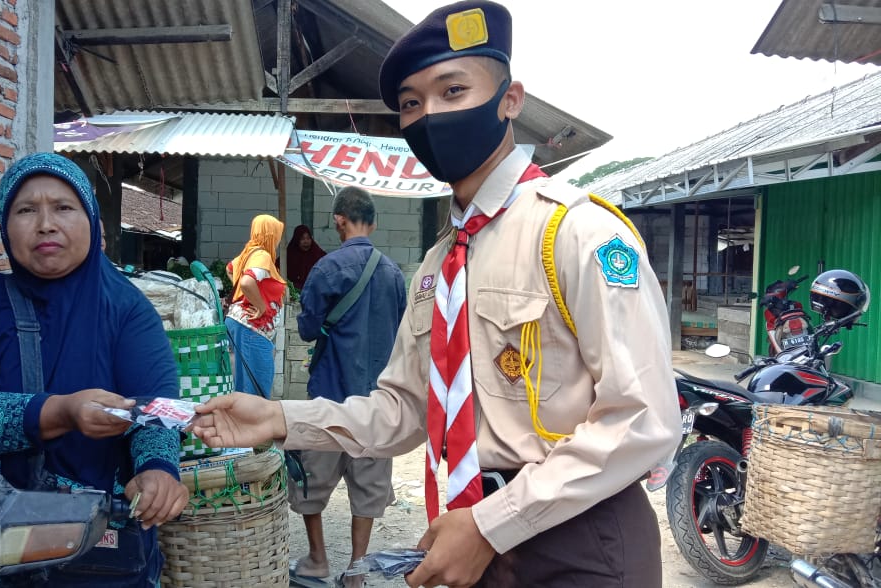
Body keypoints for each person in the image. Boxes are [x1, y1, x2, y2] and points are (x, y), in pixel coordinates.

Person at [192, 2, 680, 587]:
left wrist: (494, 523)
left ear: (510, 99)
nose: (430, 115)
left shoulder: (577, 232)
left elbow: (643, 417)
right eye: (411, 104)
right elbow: (402, 411)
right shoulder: (437, 266)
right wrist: (277, 418)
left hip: (579, 542)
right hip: (472, 538)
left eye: (453, 90)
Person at [0, 152, 189, 587]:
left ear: (93, 221)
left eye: (63, 207)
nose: (45, 223)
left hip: (100, 551)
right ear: (6, 227)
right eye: (26, 210)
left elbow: (153, 408)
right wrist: (58, 412)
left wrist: (157, 469)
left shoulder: (127, 310)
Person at [289, 187, 406, 587]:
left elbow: (306, 330)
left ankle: (318, 560)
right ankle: (356, 572)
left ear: (339, 219)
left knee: (311, 480)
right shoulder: (393, 273)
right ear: (372, 223)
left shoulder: (326, 268)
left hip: (330, 396)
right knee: (369, 486)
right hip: (378, 399)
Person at [224, 214, 287, 398]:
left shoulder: (249, 252)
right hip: (252, 328)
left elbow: (230, 269)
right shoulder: (262, 255)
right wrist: (260, 305)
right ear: (269, 235)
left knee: (245, 386)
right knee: (255, 390)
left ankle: (242, 425)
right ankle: (251, 426)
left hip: (241, 324)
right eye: (276, 235)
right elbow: (246, 282)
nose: (277, 240)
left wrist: (247, 297)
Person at [286, 224, 327, 290]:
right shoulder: (290, 255)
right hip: (294, 293)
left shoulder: (317, 254)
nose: (306, 242)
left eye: (308, 238)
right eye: (302, 239)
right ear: (297, 240)